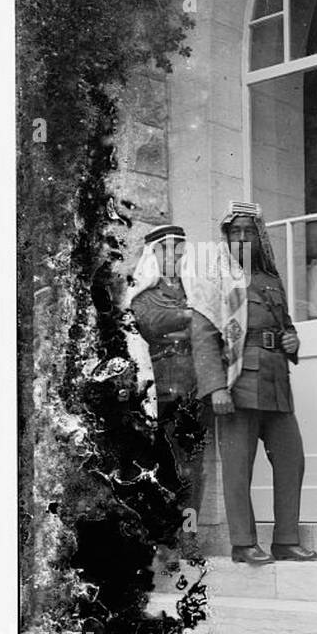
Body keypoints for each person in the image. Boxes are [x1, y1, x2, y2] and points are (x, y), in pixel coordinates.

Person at [186, 201, 317, 565]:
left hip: (276, 383)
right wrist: (216, 388)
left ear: (259, 237)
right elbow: (203, 337)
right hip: (237, 383)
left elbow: (285, 325)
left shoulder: (271, 279)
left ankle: (286, 540)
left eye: (249, 231)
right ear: (226, 238)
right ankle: (243, 544)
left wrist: (293, 341)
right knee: (238, 466)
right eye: (234, 232)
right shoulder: (214, 279)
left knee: (292, 459)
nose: (242, 237)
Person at [127, 224, 209, 559]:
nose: (175, 253)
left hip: (195, 385)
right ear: (154, 253)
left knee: (194, 468)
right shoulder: (144, 294)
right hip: (163, 389)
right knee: (168, 467)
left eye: (179, 247)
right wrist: (194, 317)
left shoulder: (191, 290)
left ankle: (187, 537)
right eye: (168, 247)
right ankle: (165, 538)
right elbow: (154, 320)